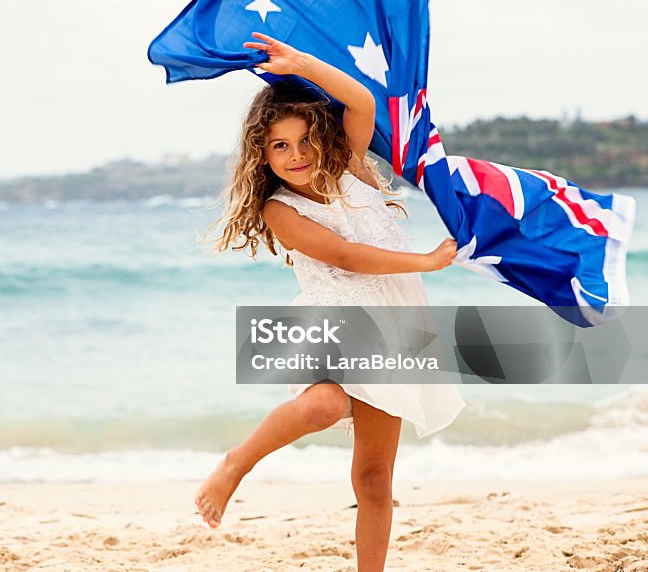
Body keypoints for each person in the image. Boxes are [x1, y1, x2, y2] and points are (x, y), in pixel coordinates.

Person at [195, 32, 466, 572]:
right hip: (333, 319)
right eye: (279, 146)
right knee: (320, 406)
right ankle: (235, 463)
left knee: (373, 478)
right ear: (262, 153)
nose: (295, 156)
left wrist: (301, 63)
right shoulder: (280, 208)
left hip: (392, 330)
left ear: (323, 137)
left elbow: (363, 101)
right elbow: (344, 256)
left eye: (303, 141)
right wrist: (426, 261)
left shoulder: (355, 169)